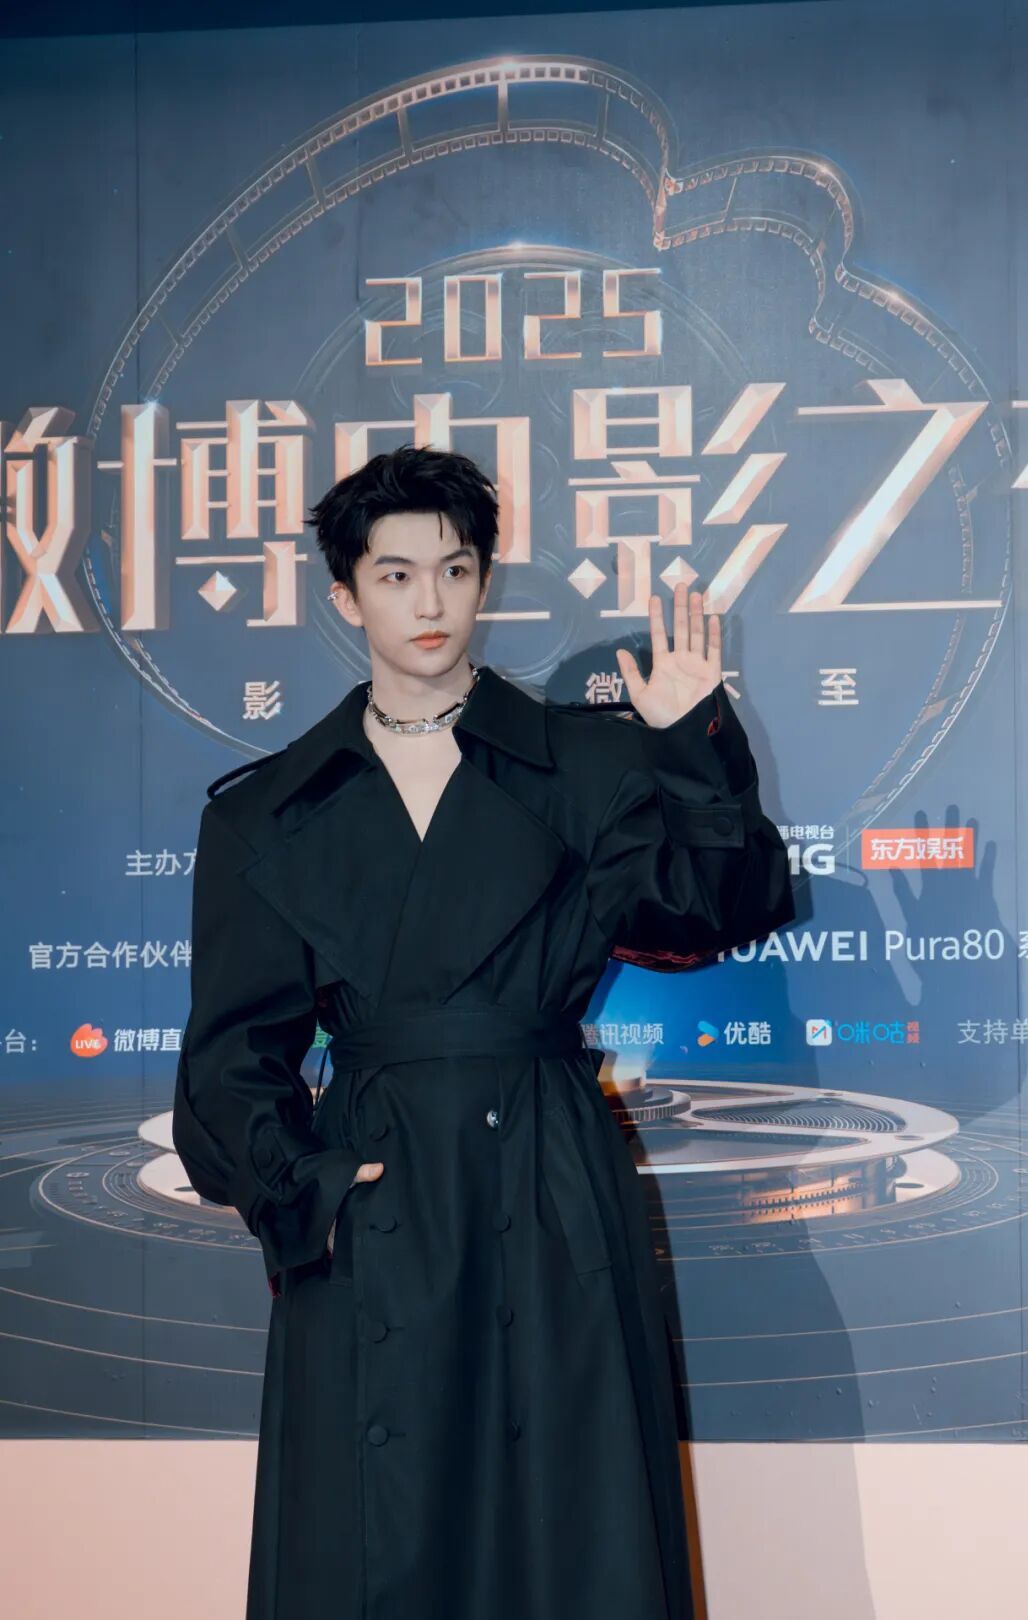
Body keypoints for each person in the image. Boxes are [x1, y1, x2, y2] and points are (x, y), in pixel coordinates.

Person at [172, 443, 795, 1620]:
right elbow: (226, 1062)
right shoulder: (270, 808)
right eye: (396, 575)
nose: (431, 602)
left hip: (546, 1185)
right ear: (346, 594)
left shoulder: (584, 763)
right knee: (377, 1547)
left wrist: (692, 745)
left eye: (455, 571)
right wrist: (304, 1185)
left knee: (570, 1532)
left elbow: (714, 911)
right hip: (373, 1200)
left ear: (483, 582)